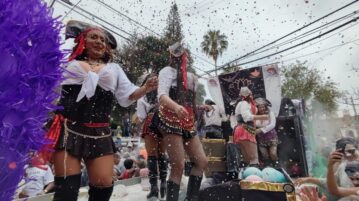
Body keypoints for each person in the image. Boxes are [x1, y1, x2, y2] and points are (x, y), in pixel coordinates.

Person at [49, 20, 158, 201]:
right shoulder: (68, 64)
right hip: (68, 130)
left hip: (99, 134)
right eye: (94, 37)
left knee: (104, 187)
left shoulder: (114, 69)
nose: (99, 41)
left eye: (102, 39)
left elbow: (128, 95)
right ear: (83, 41)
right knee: (66, 191)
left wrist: (145, 88)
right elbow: (46, 87)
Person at [156, 42, 208, 201]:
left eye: (182, 54)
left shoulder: (192, 77)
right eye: (174, 54)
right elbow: (162, 96)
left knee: (201, 162)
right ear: (170, 56)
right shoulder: (166, 71)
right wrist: (176, 107)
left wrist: (200, 107)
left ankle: (191, 199)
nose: (178, 57)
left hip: (188, 122)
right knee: (178, 166)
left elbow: (189, 103)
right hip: (170, 119)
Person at [136, 75, 168, 200]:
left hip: (150, 123)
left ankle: (154, 188)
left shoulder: (142, 97)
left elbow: (141, 116)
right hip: (163, 123)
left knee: (152, 156)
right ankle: (164, 183)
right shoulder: (163, 95)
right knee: (162, 154)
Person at [233, 87, 269, 166]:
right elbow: (247, 117)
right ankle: (253, 176)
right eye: (250, 94)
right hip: (246, 129)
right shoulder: (244, 104)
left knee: (247, 159)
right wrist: (262, 117)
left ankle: (249, 175)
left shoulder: (245, 104)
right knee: (253, 158)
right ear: (249, 95)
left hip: (244, 129)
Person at [254, 97, 279, 167]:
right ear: (257, 108)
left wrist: (261, 130)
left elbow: (272, 125)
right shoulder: (255, 116)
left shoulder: (270, 113)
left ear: (265, 107)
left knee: (273, 154)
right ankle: (268, 168)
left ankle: (277, 167)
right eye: (260, 107)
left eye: (263, 107)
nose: (262, 109)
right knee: (265, 156)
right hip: (261, 139)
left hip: (271, 138)